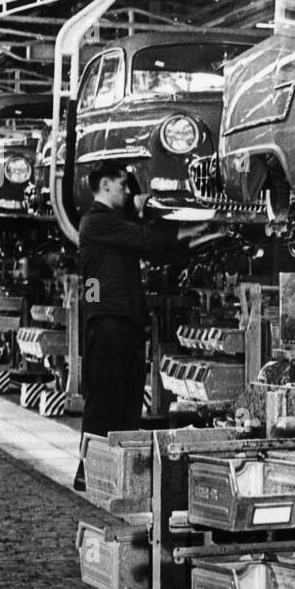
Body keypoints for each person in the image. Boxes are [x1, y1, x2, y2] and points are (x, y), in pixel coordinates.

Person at [73, 163, 211, 490]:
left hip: (122, 321)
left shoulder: (111, 225)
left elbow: (144, 243)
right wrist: (189, 229)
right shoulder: (96, 222)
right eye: (123, 185)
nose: (128, 192)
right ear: (105, 186)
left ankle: (120, 474)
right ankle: (88, 471)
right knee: (104, 400)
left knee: (127, 400)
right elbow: (146, 240)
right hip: (107, 323)